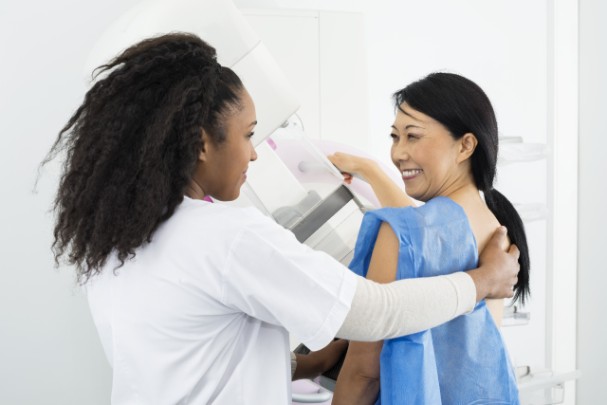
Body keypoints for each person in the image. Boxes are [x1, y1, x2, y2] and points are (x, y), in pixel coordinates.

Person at [43, 34, 520, 404]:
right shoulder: (224, 236)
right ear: (201, 142)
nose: (253, 153)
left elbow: (190, 356)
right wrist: (483, 281)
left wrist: (306, 363)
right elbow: (377, 312)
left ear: (466, 144)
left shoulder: (114, 241)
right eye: (248, 134)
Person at [329, 72, 529, 405]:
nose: (398, 153)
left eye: (412, 136)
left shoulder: (400, 232)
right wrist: (371, 170)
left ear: (465, 145)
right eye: (395, 137)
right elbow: (425, 233)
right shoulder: (496, 230)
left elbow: (364, 374)